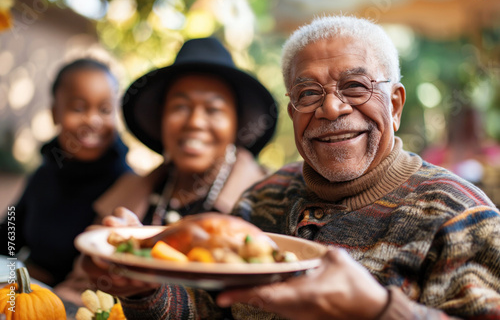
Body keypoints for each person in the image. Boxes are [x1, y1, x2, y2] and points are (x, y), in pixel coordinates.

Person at [82, 16, 500, 319]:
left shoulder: (459, 215)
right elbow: (210, 309)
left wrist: (378, 310)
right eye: (308, 92)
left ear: (394, 105)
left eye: (355, 86)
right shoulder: (263, 199)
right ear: (293, 110)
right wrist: (145, 288)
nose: (332, 107)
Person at [91, 37, 278, 226]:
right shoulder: (127, 192)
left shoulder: (272, 201)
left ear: (236, 125)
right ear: (161, 119)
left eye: (213, 109)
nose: (195, 122)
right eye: (180, 107)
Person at [0, 58, 132, 288]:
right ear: (54, 113)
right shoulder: (44, 174)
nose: (92, 120)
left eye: (105, 109)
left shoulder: (129, 186)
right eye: (78, 108)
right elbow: (9, 236)